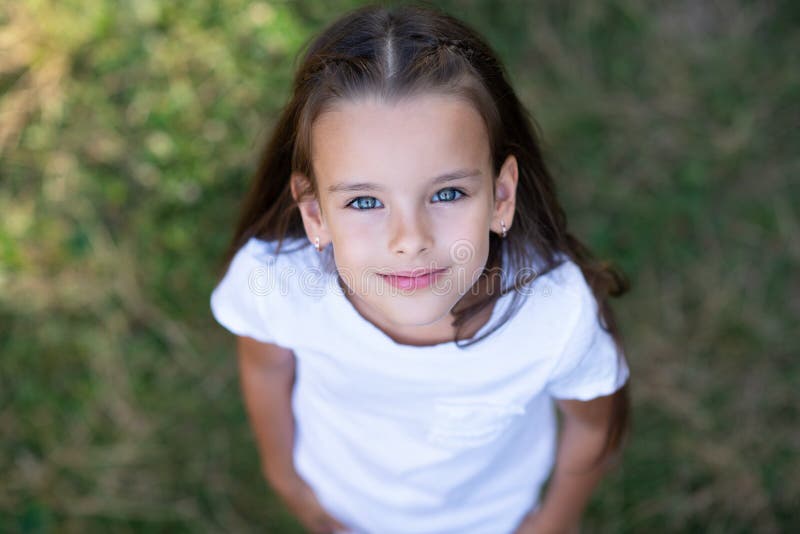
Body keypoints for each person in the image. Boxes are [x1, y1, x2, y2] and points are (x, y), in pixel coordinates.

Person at [209, 4, 631, 533]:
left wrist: (555, 520)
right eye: (365, 202)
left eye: (447, 193)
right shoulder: (278, 286)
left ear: (501, 197)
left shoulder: (555, 315)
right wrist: (285, 477)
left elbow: (592, 425)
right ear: (314, 212)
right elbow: (265, 367)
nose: (409, 240)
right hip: (342, 509)